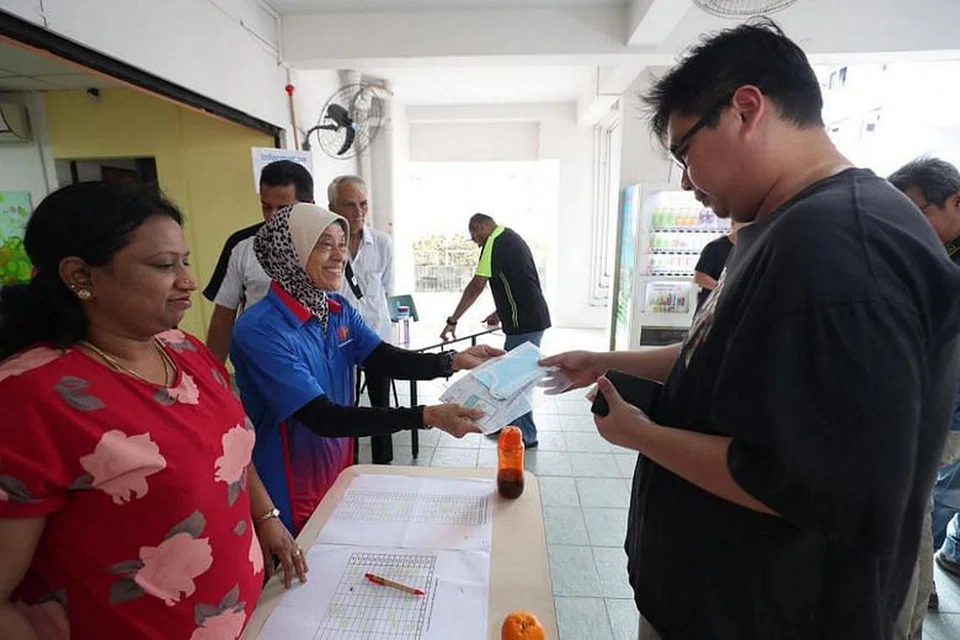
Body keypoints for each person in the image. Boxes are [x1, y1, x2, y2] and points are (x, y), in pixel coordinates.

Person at [541, 20, 960, 639]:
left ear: (745, 109)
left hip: (769, 614)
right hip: (715, 601)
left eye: (685, 151)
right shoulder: (792, 226)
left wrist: (642, 434)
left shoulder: (842, 246)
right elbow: (722, 352)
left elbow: (819, 485)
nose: (685, 180)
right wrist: (606, 360)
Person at [0, 182, 305, 639]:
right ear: (81, 277)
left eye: (185, 261)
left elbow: (230, 446)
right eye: (164, 266)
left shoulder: (183, 350)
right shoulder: (30, 396)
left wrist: (266, 518)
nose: (188, 281)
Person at [231, 203, 502, 534]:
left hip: (338, 468)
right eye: (324, 244)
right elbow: (323, 418)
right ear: (289, 251)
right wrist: (426, 416)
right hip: (287, 490)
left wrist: (454, 360)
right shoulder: (260, 331)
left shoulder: (336, 308)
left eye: (342, 243)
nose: (339, 256)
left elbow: (382, 358)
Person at [889, 156, 960, 625]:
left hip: (945, 416)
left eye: (918, 212)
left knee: (912, 509)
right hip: (935, 411)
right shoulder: (939, 255)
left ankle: (906, 619)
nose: (908, 225)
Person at [441, 214, 550, 448]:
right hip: (529, 317)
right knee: (512, 375)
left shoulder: (494, 242)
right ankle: (507, 426)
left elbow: (476, 285)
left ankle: (526, 435)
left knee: (514, 380)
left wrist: (453, 319)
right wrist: (499, 312)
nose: (476, 242)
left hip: (525, 323)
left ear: (480, 227)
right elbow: (518, 280)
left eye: (474, 237)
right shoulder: (511, 238)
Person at [204, 160, 315, 363]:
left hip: (316, 359)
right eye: (266, 207)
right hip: (260, 361)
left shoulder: (330, 244)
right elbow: (223, 318)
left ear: (310, 206)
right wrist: (213, 376)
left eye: (283, 209)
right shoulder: (242, 246)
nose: (272, 218)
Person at [328, 175, 396, 464]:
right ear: (332, 206)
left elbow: (388, 289)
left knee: (382, 406)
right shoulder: (326, 247)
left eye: (363, 204)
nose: (358, 212)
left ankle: (384, 464)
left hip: (376, 338)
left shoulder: (382, 243)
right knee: (346, 408)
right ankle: (348, 464)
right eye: (350, 205)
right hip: (339, 341)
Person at [693, 222, 741, 314]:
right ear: (733, 224)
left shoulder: (749, 248)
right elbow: (699, 277)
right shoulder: (715, 247)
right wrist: (723, 289)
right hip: (710, 308)